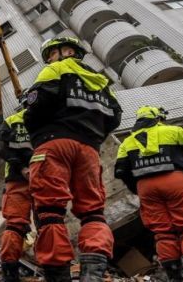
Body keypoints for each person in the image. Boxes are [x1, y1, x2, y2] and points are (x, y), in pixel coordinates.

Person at [24, 36, 122, 282]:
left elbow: (36, 109)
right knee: (93, 212)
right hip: (89, 150)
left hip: (54, 144)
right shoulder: (100, 81)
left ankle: (59, 276)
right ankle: (93, 274)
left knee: (50, 211)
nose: (49, 59)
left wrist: (37, 130)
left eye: (51, 53)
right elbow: (115, 117)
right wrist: (92, 136)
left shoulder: (55, 70)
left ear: (65, 52)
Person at [114, 106, 183, 282]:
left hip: (146, 188)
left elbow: (120, 171)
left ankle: (175, 278)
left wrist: (137, 188)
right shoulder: (171, 131)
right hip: (175, 180)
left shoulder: (127, 142)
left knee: (163, 233)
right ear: (157, 118)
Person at [0, 92, 34, 282]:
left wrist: (21, 168)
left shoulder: (12, 121)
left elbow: (1, 149)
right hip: (41, 178)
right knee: (50, 221)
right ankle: (54, 270)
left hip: (17, 178)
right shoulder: (47, 122)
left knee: (15, 225)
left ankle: (10, 274)